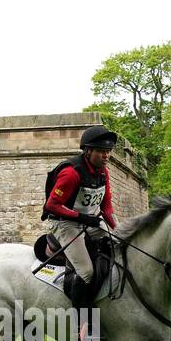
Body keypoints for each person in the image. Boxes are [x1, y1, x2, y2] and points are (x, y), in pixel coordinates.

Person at [42, 126, 119, 312]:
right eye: (101, 151)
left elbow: (106, 207)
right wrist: (82, 217)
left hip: (88, 221)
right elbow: (51, 206)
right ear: (88, 150)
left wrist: (118, 230)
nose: (106, 156)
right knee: (86, 272)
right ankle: (81, 321)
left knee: (121, 245)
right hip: (64, 223)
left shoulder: (103, 172)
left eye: (108, 152)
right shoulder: (71, 173)